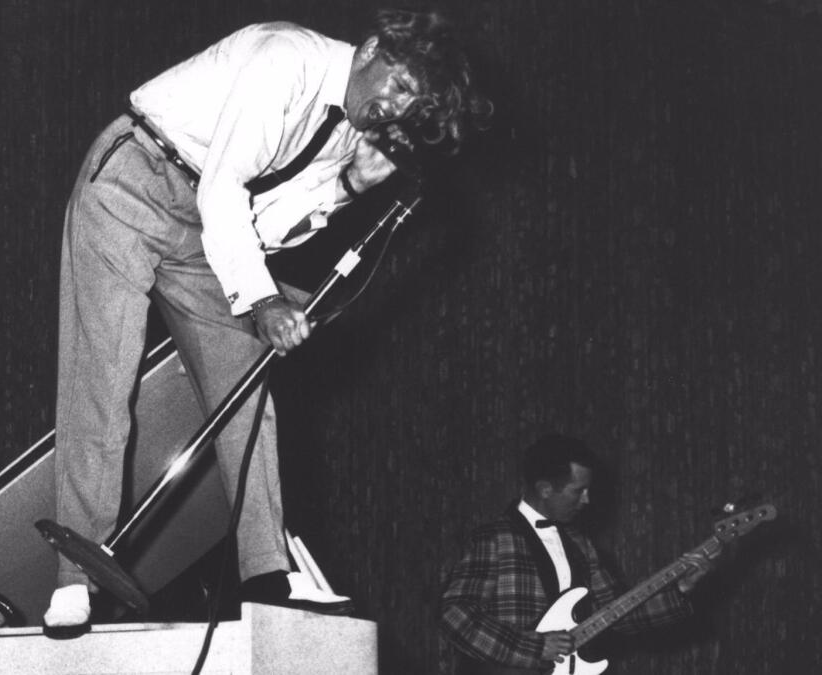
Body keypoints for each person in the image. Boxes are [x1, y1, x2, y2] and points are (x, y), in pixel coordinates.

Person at [44, 6, 486, 632]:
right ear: (371, 51)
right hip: (134, 182)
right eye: (401, 84)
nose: (397, 108)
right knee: (104, 384)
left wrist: (351, 188)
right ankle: (75, 576)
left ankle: (266, 572)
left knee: (247, 390)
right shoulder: (287, 60)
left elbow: (266, 229)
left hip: (203, 231)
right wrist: (262, 299)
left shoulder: (347, 131)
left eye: (413, 105)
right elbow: (223, 186)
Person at [439, 435, 715, 674]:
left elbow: (618, 613)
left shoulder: (580, 543)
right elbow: (455, 615)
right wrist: (534, 646)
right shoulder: (494, 539)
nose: (587, 500)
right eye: (578, 491)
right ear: (545, 489)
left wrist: (680, 587)